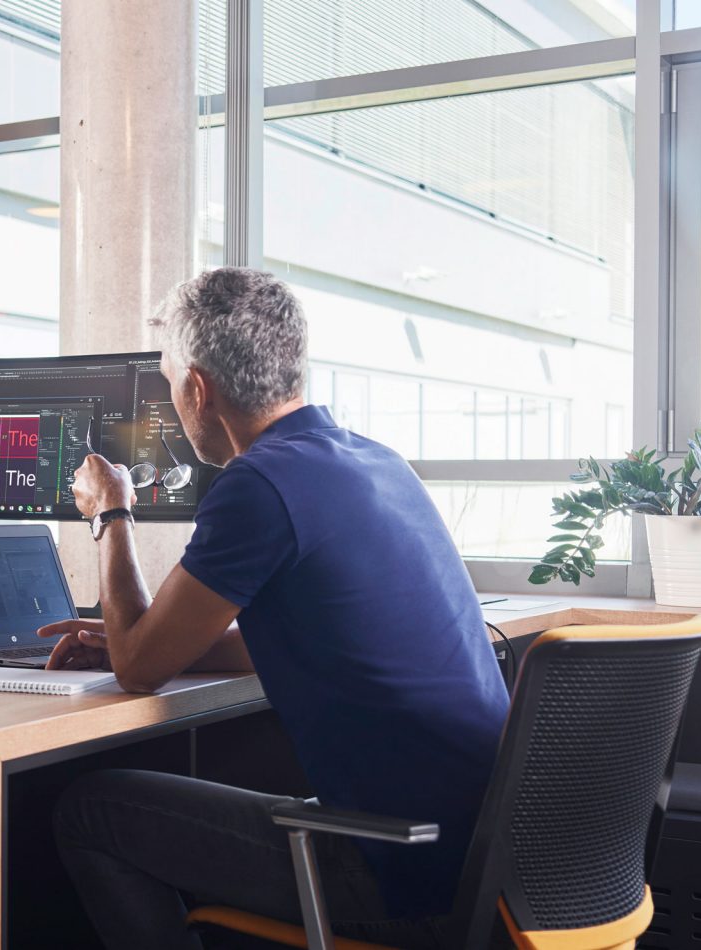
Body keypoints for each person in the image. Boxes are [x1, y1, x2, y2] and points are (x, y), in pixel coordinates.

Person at [38, 268, 510, 949]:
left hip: (398, 865)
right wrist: (150, 639)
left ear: (198, 388)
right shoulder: (377, 462)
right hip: (480, 853)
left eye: (171, 381)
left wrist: (111, 512)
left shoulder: (258, 483)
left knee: (93, 810)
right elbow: (311, 638)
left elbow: (140, 670)